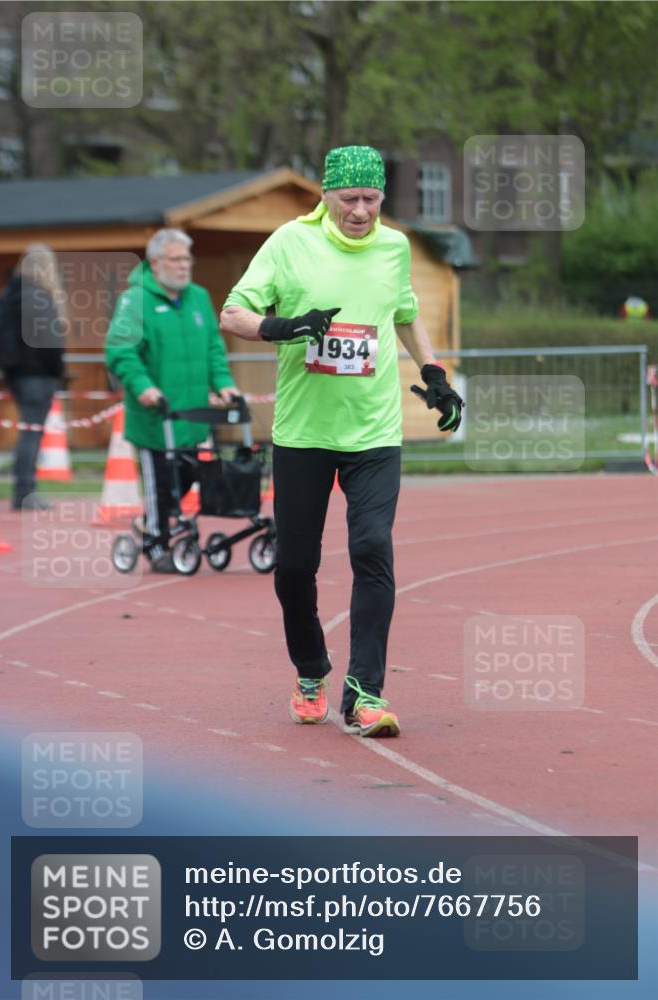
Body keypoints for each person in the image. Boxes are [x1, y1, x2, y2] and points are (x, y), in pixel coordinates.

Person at [221, 145, 463, 736]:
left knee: (373, 549)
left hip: (374, 433)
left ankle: (365, 693)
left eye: (372, 199)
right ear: (325, 195)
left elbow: (405, 311)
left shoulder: (395, 246)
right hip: (304, 433)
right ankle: (310, 671)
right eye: (349, 198)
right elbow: (233, 313)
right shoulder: (288, 243)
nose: (360, 211)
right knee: (293, 567)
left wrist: (435, 373)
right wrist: (285, 327)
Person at [105, 228, 239, 573]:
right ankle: (156, 545)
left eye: (186, 259)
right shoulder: (135, 301)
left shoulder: (198, 297)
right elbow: (121, 350)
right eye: (175, 259)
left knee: (192, 475)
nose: (183, 266)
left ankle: (150, 524)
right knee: (161, 483)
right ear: (155, 262)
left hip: (193, 418)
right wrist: (142, 386)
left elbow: (214, 347)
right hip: (155, 418)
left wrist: (223, 383)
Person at [0, 244, 68, 510]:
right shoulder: (40, 297)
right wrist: (58, 372)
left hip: (15, 373)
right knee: (32, 432)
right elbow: (49, 343)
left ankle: (23, 489)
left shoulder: (9, 294)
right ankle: (25, 491)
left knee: (28, 430)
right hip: (38, 374)